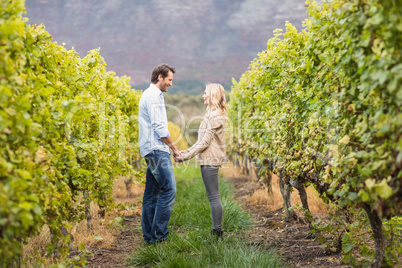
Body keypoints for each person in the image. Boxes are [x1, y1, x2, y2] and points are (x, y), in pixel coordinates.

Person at [176, 83, 227, 239]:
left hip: (210, 160)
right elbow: (202, 141)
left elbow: (205, 143)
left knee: (213, 197)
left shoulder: (215, 115)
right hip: (208, 159)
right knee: (213, 196)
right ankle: (216, 231)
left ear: (212, 95)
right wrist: (187, 151)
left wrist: (186, 156)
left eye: (205, 93)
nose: (203, 96)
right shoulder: (212, 114)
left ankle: (217, 233)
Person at [138, 63, 181, 244]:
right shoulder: (154, 96)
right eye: (169, 79)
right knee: (169, 190)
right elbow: (160, 127)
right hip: (157, 150)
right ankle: (159, 236)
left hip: (150, 149)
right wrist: (174, 147)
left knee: (151, 194)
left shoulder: (149, 94)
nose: (171, 84)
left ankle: (149, 237)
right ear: (160, 77)